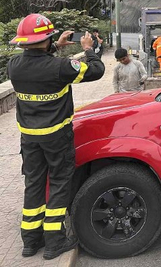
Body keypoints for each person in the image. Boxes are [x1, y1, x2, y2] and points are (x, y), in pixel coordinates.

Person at [7, 13, 105, 260]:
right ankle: (55, 242)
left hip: (29, 138)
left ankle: (30, 241)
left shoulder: (14, 66)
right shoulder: (60, 68)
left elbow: (37, 62)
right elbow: (96, 70)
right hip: (57, 137)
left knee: (34, 184)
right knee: (60, 183)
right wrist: (88, 49)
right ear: (48, 39)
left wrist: (54, 47)